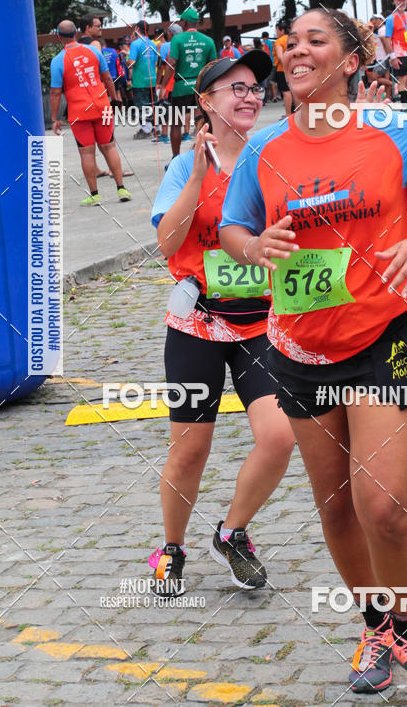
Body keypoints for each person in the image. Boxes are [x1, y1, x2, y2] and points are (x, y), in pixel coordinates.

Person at [219, 7, 407, 707]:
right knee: (335, 508)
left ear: (350, 61)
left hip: (385, 336)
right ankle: (375, 625)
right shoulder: (264, 147)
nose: (295, 51)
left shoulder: (398, 129)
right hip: (298, 348)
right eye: (289, 43)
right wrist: (252, 247)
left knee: (381, 505)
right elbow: (234, 227)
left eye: (313, 41)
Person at [149, 49, 295, 595]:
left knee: (279, 437)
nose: (250, 95)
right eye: (235, 88)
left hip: (263, 326)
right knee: (190, 448)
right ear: (205, 103)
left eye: (255, 87)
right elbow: (165, 242)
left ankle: (232, 533)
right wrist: (198, 179)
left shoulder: (275, 158)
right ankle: (171, 548)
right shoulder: (183, 166)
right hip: (198, 327)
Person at [50, 20, 131, 205]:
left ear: (59, 37)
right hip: (101, 106)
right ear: (76, 33)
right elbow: (107, 77)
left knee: (87, 153)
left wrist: (54, 118)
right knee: (109, 147)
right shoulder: (94, 51)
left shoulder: (58, 61)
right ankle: (121, 188)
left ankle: (95, 195)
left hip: (79, 112)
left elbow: (55, 92)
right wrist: (115, 99)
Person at [159, 7, 217, 159]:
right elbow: (213, 66)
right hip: (200, 88)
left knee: (176, 123)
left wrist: (164, 86)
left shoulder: (178, 39)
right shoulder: (208, 41)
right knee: (201, 122)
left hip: (180, 88)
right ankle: (202, 156)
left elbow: (171, 63)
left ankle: (175, 158)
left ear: (184, 22)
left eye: (180, 20)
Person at [379, 0, 407, 104]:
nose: (402, 2)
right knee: (402, 79)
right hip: (400, 53)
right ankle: (404, 106)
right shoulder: (391, 18)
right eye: (399, 0)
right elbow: (387, 38)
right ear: (395, 2)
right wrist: (392, 56)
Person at [128, 20, 160, 139]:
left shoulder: (135, 44)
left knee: (141, 105)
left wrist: (126, 58)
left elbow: (131, 63)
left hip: (140, 80)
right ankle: (156, 128)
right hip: (152, 78)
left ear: (137, 29)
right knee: (153, 104)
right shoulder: (152, 44)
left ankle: (145, 129)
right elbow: (156, 62)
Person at [363, 14, 392, 96]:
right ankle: (388, 98)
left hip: (382, 58)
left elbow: (385, 44)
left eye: (376, 19)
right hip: (381, 58)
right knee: (385, 78)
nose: (374, 21)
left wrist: (388, 56)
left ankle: (395, 85)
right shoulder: (380, 31)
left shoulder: (380, 32)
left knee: (374, 77)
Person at [274, 20, 292, 116]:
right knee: (293, 91)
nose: (276, 32)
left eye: (277, 30)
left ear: (281, 30)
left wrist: (285, 68)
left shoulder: (279, 41)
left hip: (282, 69)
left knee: (286, 92)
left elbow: (280, 56)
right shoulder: (291, 39)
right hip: (294, 68)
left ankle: (288, 115)